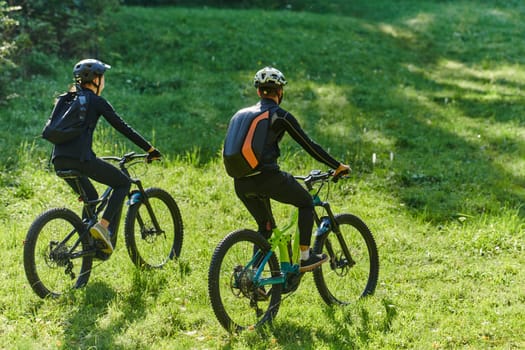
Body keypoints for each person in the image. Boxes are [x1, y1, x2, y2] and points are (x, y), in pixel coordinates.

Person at [230, 66, 350, 272]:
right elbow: (309, 145)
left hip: (241, 182)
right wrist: (337, 166)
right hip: (268, 178)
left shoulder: (241, 115)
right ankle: (305, 257)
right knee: (305, 202)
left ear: (259, 91)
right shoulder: (280, 115)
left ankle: (250, 277)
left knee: (265, 228)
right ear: (280, 92)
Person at [52, 58, 161, 254]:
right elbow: (122, 127)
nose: (104, 82)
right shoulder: (95, 101)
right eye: (103, 78)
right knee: (123, 183)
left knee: (91, 197)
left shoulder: (67, 98)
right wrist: (150, 149)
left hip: (59, 161)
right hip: (81, 160)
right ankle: (102, 227)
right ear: (96, 79)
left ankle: (87, 245)